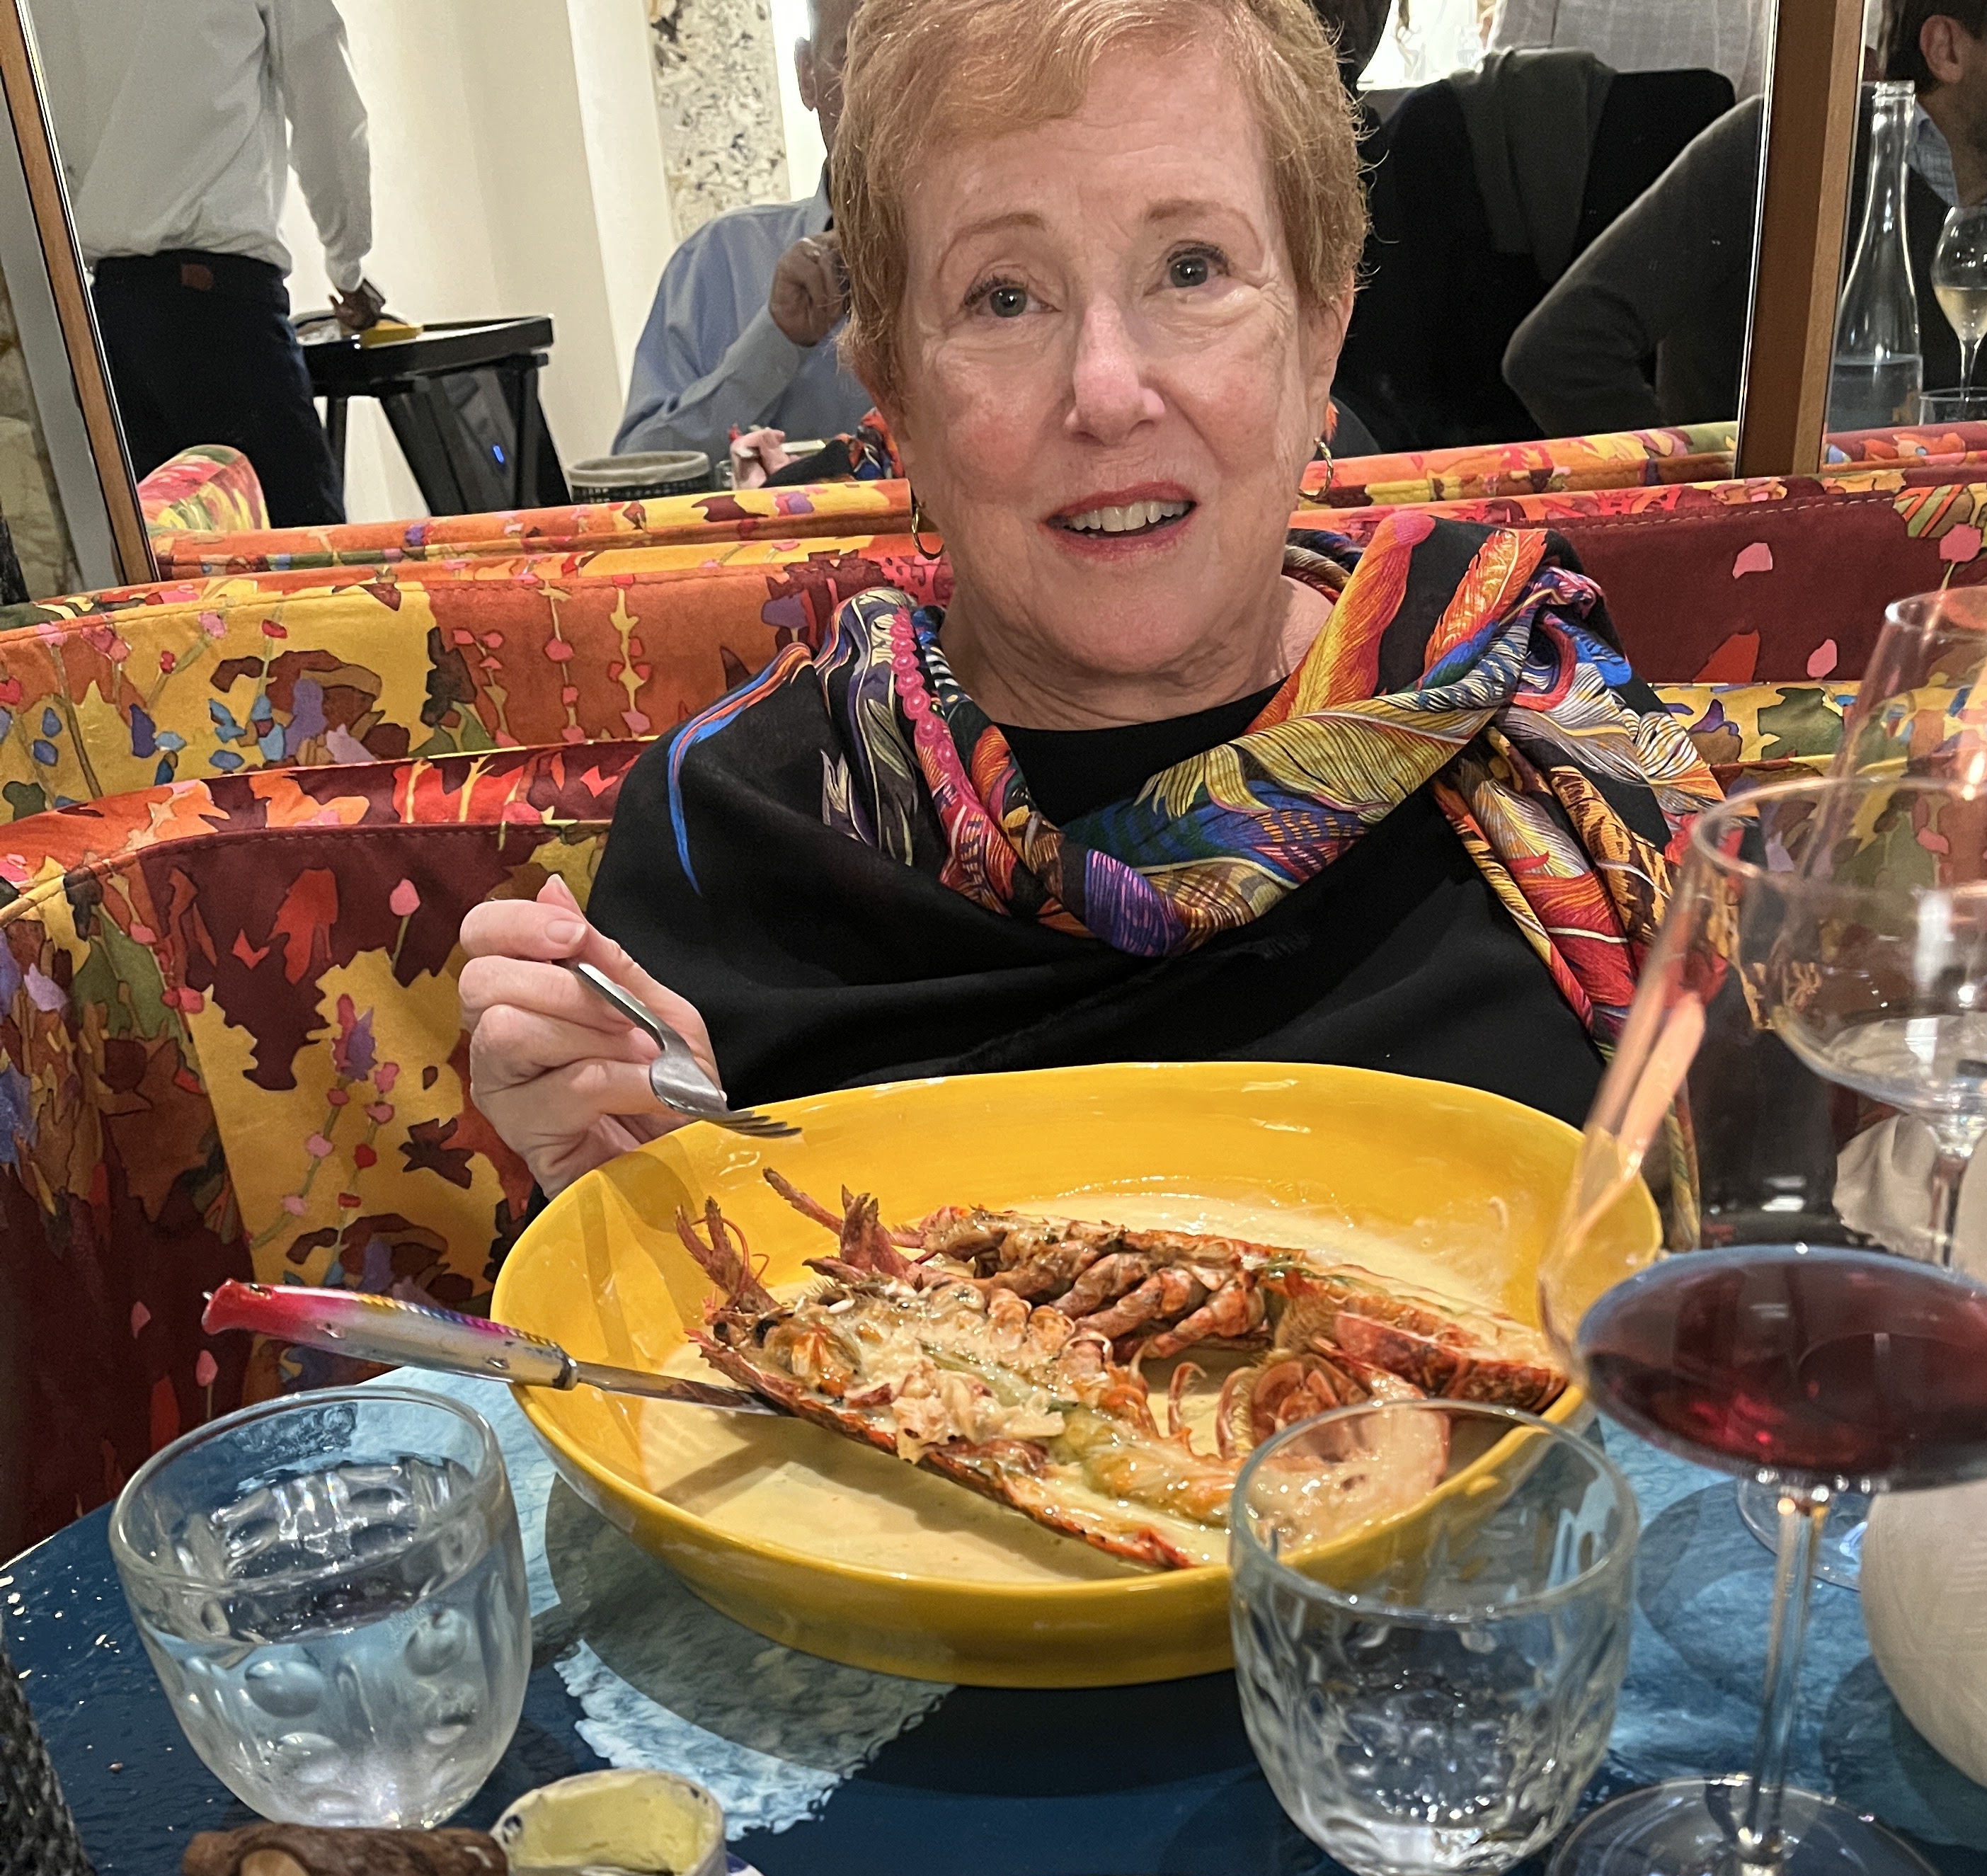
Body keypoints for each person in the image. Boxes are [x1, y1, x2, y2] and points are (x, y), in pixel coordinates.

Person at [462, 0, 1717, 1197]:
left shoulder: (1534, 717)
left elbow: (1762, 1231)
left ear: (1319, 333)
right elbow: (640, 1318)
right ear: (896, 400)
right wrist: (617, 1195)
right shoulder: (730, 829)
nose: (1107, 392)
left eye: (1190, 267)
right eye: (1003, 297)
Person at [1505, 0, 1987, 432]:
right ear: (1947, 48)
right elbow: (1560, 351)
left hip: (1985, 568)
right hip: (1776, 570)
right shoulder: (1792, 147)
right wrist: (1702, 511)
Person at [28, 0, 378, 527]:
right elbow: (327, 105)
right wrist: (348, 265)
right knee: (302, 553)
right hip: (222, 309)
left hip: (108, 315)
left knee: (168, 562)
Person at [614, 0, 871, 467]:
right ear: (807, 74)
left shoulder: (1000, 264)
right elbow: (638, 476)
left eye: (913, 59)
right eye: (856, 55)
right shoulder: (719, 261)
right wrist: (775, 343)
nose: (886, 88)